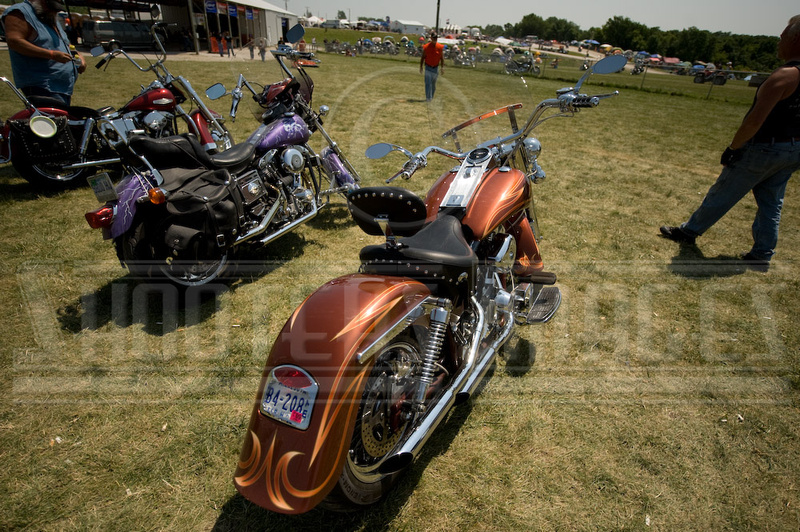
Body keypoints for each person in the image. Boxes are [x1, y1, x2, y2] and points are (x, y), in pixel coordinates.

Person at [660, 15, 800, 271]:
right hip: (793, 149)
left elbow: (754, 121)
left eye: (784, 35)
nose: (779, 39)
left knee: (724, 191)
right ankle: (762, 254)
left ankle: (689, 231)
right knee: (772, 202)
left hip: (764, 147)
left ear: (796, 39)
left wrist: (734, 148)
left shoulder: (785, 76)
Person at [1, 0, 86, 106]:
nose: (54, 13)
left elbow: (66, 44)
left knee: (61, 120)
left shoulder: (48, 18)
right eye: (51, 8)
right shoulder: (19, 12)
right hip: (42, 85)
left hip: (61, 87)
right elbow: (15, 42)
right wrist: (51, 54)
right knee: (51, 120)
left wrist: (79, 57)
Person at [419, 32, 445, 101]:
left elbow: (442, 58)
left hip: (435, 68)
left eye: (436, 38)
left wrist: (442, 67)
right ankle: (428, 98)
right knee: (428, 83)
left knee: (433, 85)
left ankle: (431, 97)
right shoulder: (426, 47)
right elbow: (423, 57)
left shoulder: (439, 47)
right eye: (434, 38)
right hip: (428, 67)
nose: (435, 39)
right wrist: (421, 67)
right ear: (431, 38)